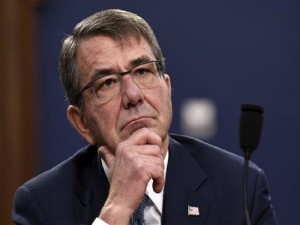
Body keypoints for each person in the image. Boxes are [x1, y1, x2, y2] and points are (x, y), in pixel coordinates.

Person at [12, 9, 277, 225]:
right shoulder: (42, 204)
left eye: (142, 71)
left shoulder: (238, 187)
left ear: (167, 87)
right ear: (81, 122)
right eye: (107, 83)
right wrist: (116, 209)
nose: (133, 95)